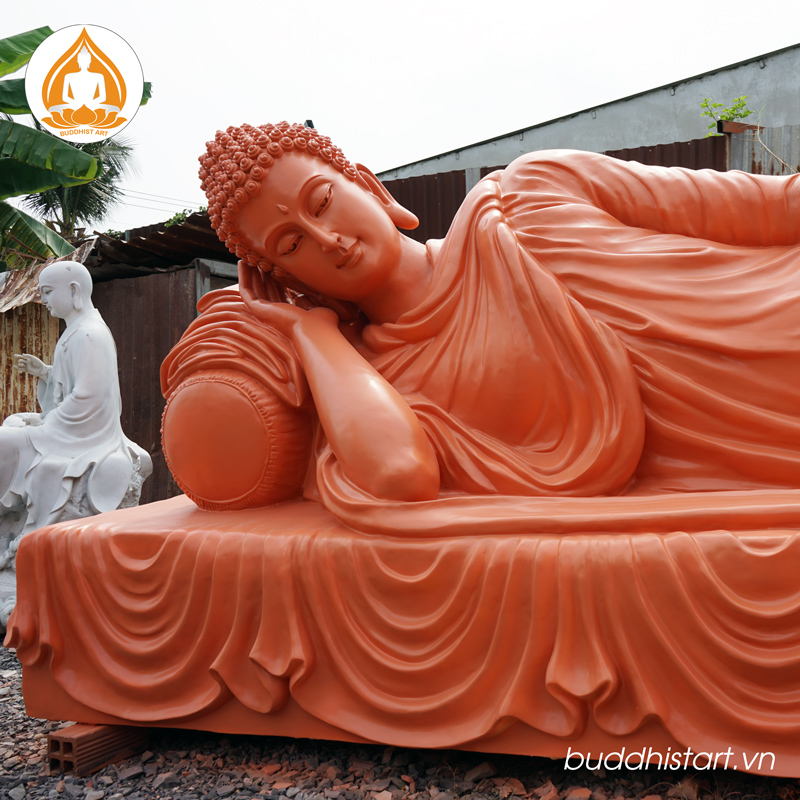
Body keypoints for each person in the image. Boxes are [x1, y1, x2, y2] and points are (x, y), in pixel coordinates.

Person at [170, 121, 800, 536]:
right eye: (291, 245)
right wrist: (314, 335)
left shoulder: (532, 189)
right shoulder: (381, 384)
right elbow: (399, 475)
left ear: (365, 185)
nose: (328, 240)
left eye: (322, 203)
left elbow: (766, 207)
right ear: (285, 277)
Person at [1, 260, 152, 537]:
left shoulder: (89, 333)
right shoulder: (76, 330)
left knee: (4, 439)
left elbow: (89, 397)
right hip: (68, 424)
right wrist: (45, 372)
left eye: (48, 292)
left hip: (85, 433)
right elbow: (72, 387)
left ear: (73, 291)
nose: (43, 300)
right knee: (14, 420)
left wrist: (46, 424)